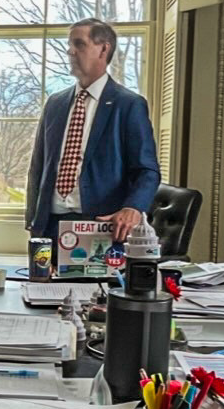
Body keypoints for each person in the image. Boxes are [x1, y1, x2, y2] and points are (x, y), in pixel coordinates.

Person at [26, 17, 160, 246]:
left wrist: (133, 207)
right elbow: (38, 166)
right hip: (50, 229)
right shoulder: (55, 104)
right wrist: (33, 220)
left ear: (103, 49)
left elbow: (147, 170)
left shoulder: (128, 105)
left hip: (101, 227)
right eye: (70, 45)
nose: (70, 51)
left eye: (79, 44)